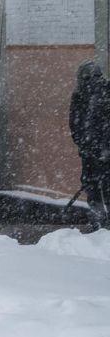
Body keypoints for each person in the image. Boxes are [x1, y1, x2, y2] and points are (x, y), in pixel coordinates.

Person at [69, 61, 110, 230]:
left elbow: (75, 125)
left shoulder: (80, 95)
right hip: (99, 151)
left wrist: (85, 145)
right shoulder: (103, 92)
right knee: (103, 186)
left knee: (93, 187)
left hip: (92, 151)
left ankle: (98, 222)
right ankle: (102, 223)